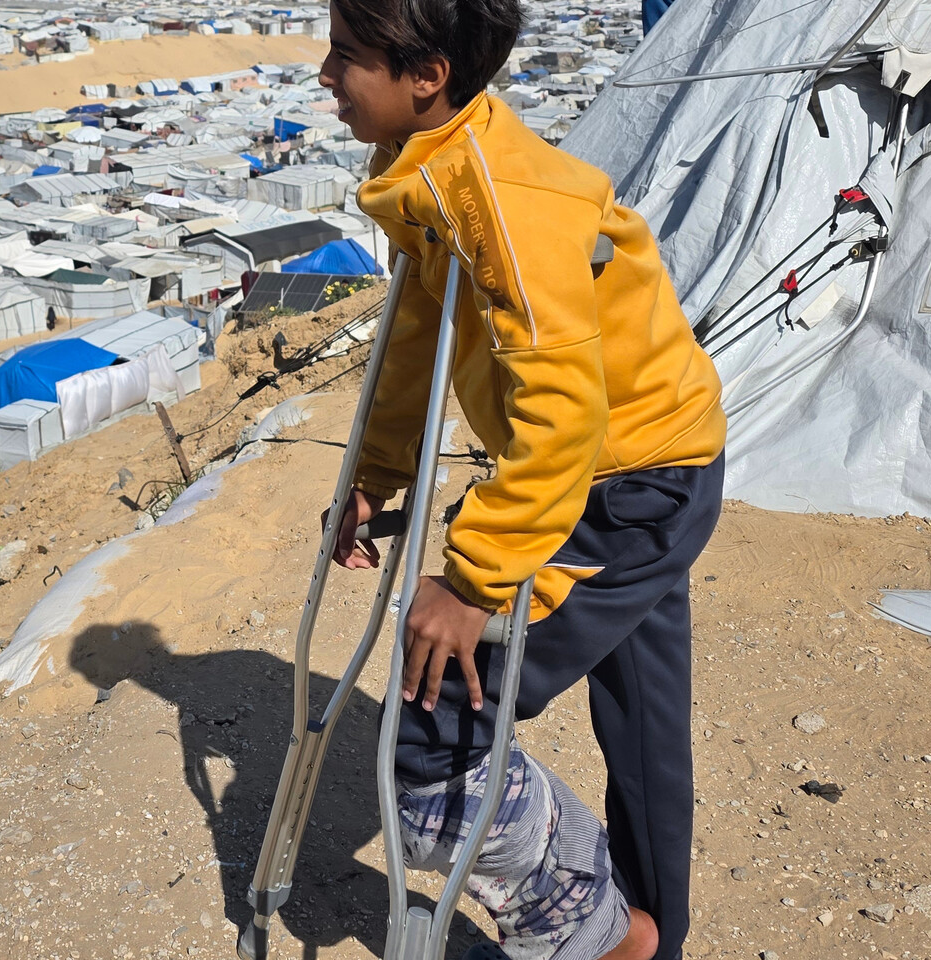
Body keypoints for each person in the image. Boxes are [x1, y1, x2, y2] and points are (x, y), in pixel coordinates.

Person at [320, 1, 727, 959]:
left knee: (435, 721)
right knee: (644, 729)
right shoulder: (433, 171)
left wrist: (470, 580)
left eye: (346, 57)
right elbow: (418, 335)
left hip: (624, 485)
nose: (325, 77)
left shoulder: (498, 199)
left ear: (426, 75)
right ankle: (648, 942)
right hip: (658, 461)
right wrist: (377, 471)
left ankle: (601, 936)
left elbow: (567, 413)